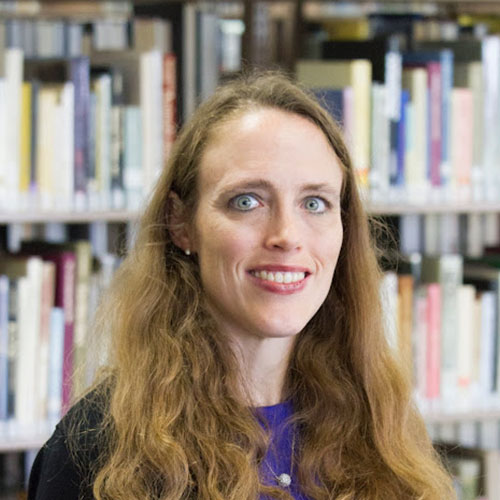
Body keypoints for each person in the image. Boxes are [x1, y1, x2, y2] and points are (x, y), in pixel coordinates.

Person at [28, 72, 455, 500]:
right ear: (182, 223)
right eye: (247, 201)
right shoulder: (97, 450)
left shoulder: (381, 426)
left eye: (314, 203)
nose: (287, 234)